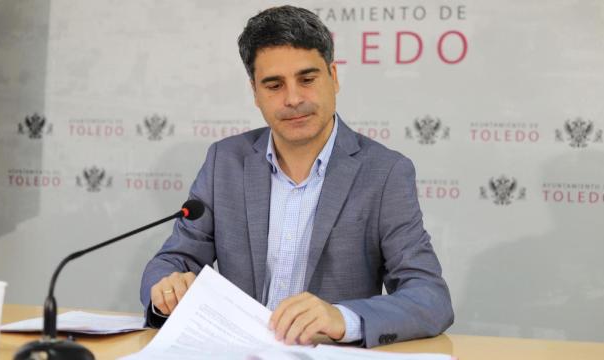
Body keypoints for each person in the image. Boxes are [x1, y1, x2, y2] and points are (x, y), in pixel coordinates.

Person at [140, 5, 453, 348]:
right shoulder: (225, 161)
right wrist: (166, 291)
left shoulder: (384, 172)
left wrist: (341, 318)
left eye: (307, 79)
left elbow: (429, 297)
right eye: (274, 85)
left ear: (333, 77)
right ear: (255, 93)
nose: (293, 99)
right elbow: (172, 262)